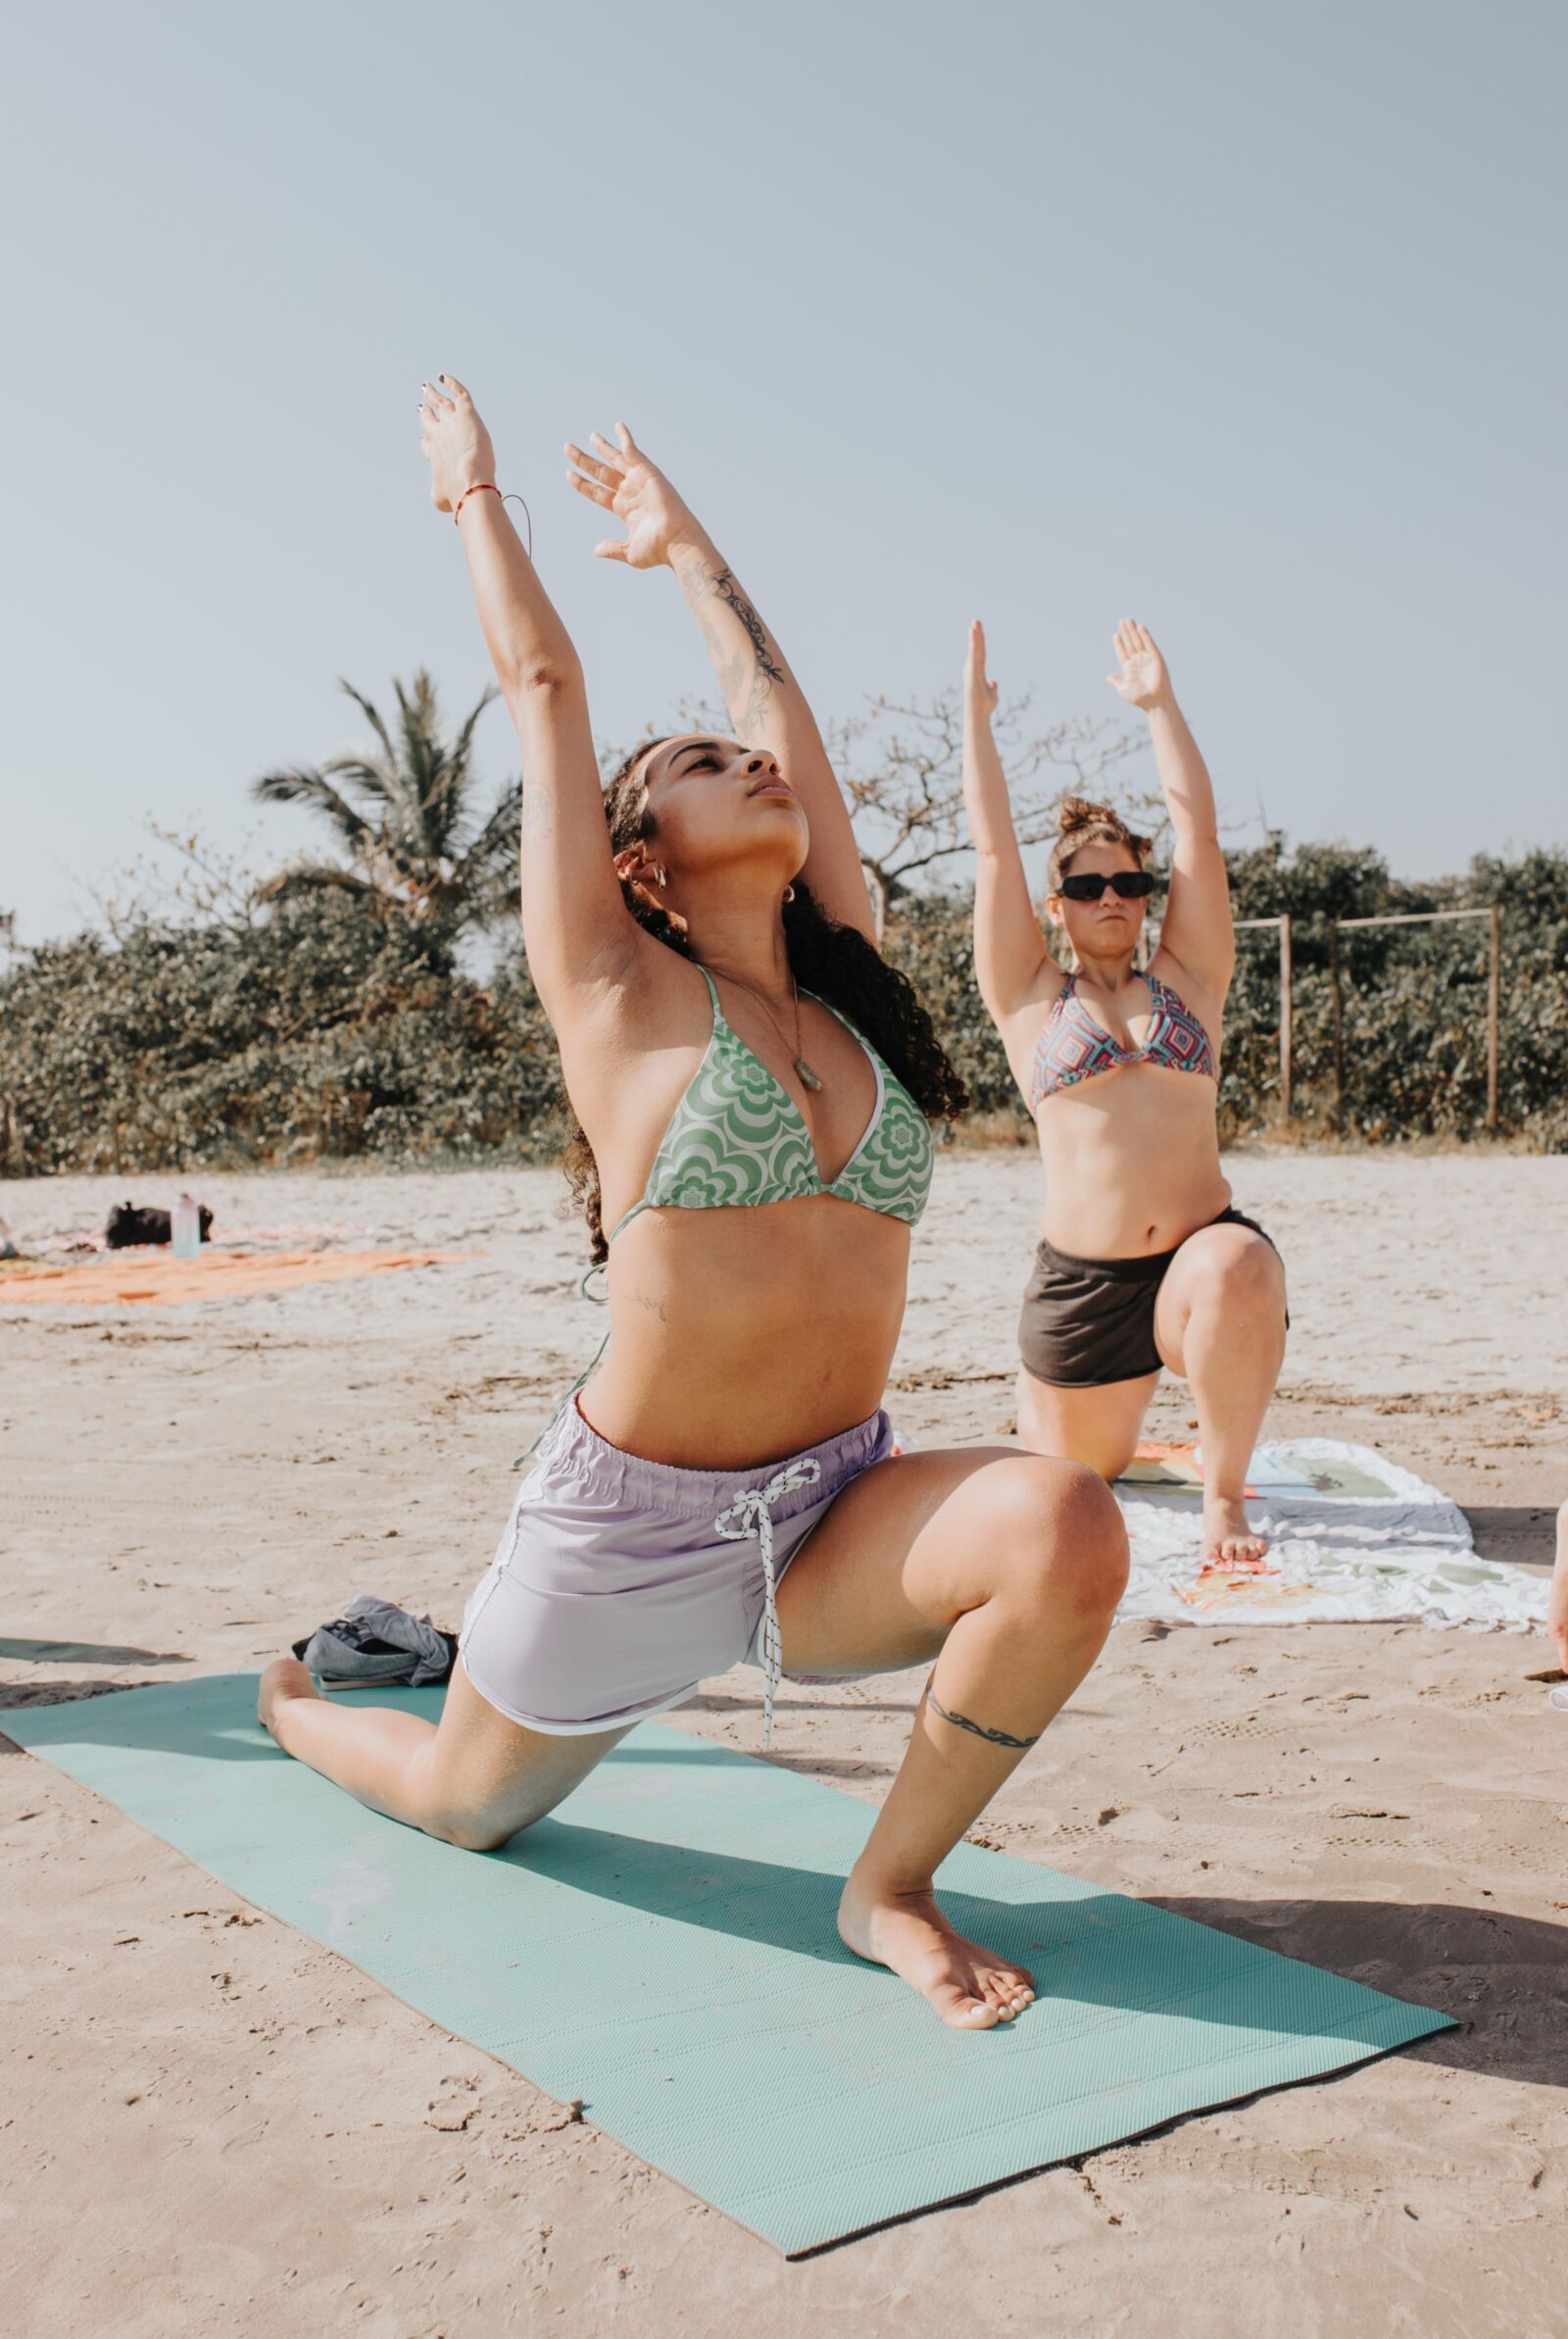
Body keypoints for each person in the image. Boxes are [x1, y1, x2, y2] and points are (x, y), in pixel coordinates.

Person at [259, 380, 1128, 2031]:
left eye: (755, 765)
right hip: (623, 1538)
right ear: (642, 854)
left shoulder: (848, 989)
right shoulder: (613, 990)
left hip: (825, 1511)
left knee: (1067, 1526)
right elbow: (543, 683)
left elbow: (776, 707)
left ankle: (888, 1888)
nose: (754, 769)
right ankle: (300, 1697)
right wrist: (476, 498)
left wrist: (686, 546)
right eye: (704, 770)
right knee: (464, 1809)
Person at [961, 617, 1288, 1567]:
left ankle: (1224, 1497)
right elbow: (988, 853)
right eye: (1088, 882)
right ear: (1056, 902)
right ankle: (1041, 1401)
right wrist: (978, 722)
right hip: (1086, 1283)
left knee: (1238, 1266)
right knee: (1072, 1488)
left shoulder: (1189, 977)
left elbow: (1199, 827)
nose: (1112, 894)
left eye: (1129, 880)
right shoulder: (1028, 994)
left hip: (1197, 1257)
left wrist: (1159, 705)